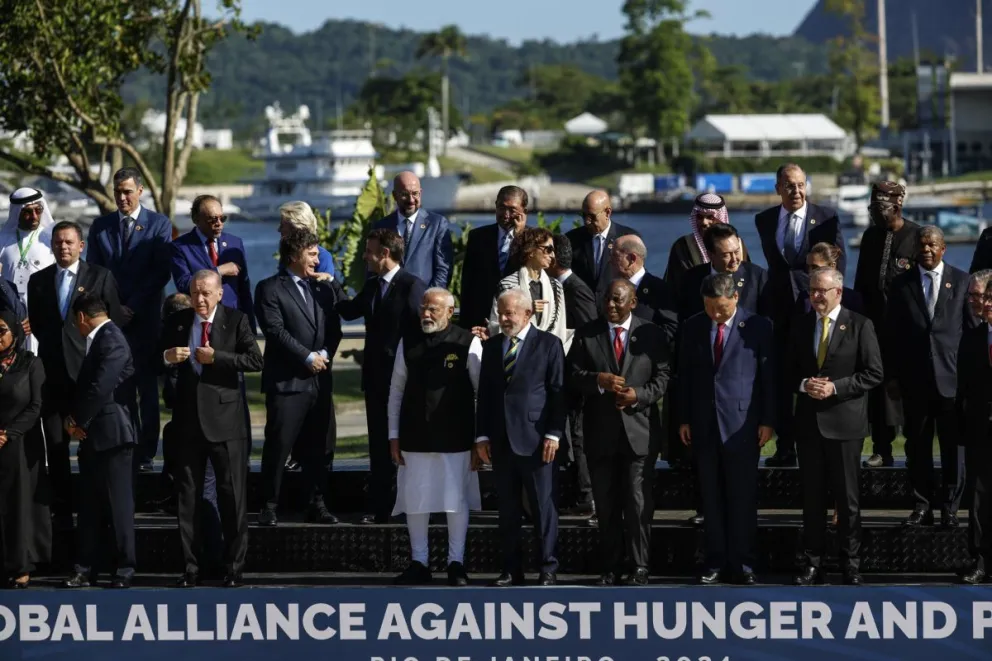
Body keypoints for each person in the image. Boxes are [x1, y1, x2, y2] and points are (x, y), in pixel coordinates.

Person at [162, 270, 263, 588]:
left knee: (231, 497)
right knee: (187, 499)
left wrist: (217, 357)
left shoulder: (236, 320)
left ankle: (234, 567)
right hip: (188, 425)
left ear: (219, 293)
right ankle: (191, 568)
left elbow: (254, 360)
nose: (200, 299)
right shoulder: (178, 323)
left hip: (226, 423)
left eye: (206, 293)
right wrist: (166, 357)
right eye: (194, 293)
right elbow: (151, 360)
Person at [569, 279, 670, 585]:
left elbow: (663, 375)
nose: (610, 306)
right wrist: (597, 380)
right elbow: (571, 375)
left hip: (639, 433)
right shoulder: (588, 334)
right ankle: (611, 566)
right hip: (600, 435)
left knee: (638, 503)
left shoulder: (650, 333)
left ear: (632, 302)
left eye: (617, 300)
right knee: (607, 504)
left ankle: (639, 566)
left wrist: (639, 395)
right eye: (607, 301)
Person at [678, 273, 775, 585]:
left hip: (742, 426)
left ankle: (744, 564)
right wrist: (683, 418)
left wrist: (768, 421)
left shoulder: (759, 327)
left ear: (735, 298)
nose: (715, 315)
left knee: (742, 498)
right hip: (704, 425)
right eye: (709, 308)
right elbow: (684, 376)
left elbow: (768, 378)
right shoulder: (693, 326)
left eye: (720, 308)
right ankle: (715, 562)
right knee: (711, 499)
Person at [788, 268, 883, 586]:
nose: (815, 296)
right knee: (812, 500)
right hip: (809, 426)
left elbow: (873, 373)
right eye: (812, 290)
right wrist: (803, 384)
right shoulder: (801, 326)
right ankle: (813, 563)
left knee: (848, 500)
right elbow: (784, 370)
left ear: (838, 293)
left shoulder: (860, 325)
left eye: (822, 291)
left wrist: (836, 387)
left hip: (845, 425)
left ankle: (850, 562)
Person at [27, 221, 122, 527]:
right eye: (58, 243)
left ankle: (97, 515)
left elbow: (112, 322)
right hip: (53, 379)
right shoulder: (39, 281)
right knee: (55, 449)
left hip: (88, 377)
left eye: (69, 242)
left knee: (93, 449)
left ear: (81, 246)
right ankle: (63, 514)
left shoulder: (100, 276)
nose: (63, 247)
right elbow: (40, 325)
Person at [388, 288, 483, 586]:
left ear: (450, 311)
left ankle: (456, 563)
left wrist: (480, 439)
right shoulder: (408, 342)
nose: (426, 314)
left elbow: (481, 393)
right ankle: (420, 562)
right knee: (416, 501)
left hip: (456, 437)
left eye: (433, 309)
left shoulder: (469, 342)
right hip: (415, 436)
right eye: (423, 309)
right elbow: (396, 392)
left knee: (455, 501)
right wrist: (393, 435)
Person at [755, 163, 846, 468]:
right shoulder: (764, 220)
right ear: (778, 188)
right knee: (782, 380)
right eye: (789, 186)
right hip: (779, 313)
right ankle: (785, 447)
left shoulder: (827, 217)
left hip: (815, 309)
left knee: (816, 375)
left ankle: (818, 445)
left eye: (800, 185)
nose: (796, 191)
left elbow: (838, 265)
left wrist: (829, 304)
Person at [255, 229, 345, 526]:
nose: (318, 260)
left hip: (320, 382)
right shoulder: (270, 288)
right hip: (288, 383)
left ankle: (316, 504)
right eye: (312, 254)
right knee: (279, 445)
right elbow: (275, 331)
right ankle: (268, 505)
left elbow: (336, 328)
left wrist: (324, 355)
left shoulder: (323, 289)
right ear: (293, 255)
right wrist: (307, 357)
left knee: (318, 447)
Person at [476, 289, 565, 587]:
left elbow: (557, 393)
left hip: (537, 441)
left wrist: (553, 433)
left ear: (527, 314)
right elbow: (486, 396)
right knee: (508, 509)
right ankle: (512, 569)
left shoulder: (549, 344)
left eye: (509, 313)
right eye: (501, 313)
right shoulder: (491, 348)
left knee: (542, 507)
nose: (503, 319)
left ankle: (547, 567)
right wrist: (482, 436)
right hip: (501, 441)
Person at [87, 167, 173, 472]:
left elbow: (160, 271)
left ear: (139, 191)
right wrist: (114, 307)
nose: (122, 197)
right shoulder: (101, 227)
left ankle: (147, 452)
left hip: (145, 318)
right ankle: (126, 447)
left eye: (127, 191)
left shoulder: (159, 224)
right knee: (119, 386)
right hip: (112, 321)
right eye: (117, 191)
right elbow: (95, 272)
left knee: (147, 389)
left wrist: (132, 306)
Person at [338, 228, 426, 524]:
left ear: (384, 253)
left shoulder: (411, 286)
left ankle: (409, 506)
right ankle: (380, 508)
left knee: (406, 445)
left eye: (369, 251)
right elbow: (350, 310)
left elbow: (420, 334)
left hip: (402, 383)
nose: (365, 256)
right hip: (375, 381)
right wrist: (328, 285)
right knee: (378, 444)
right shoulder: (373, 285)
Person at [885, 226, 968, 528]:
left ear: (943, 248)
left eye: (932, 245)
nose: (927, 250)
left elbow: (970, 333)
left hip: (952, 381)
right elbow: (891, 333)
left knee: (952, 448)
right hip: (914, 380)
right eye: (922, 245)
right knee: (916, 446)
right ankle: (922, 505)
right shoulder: (901, 285)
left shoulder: (961, 281)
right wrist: (892, 376)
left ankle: (950, 506)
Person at [62, 294, 137, 589]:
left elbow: (101, 386)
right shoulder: (101, 338)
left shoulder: (112, 338)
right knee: (89, 507)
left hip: (113, 434)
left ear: (81, 318)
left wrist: (76, 420)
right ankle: (86, 568)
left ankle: (125, 568)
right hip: (94, 436)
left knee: (119, 507)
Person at [853, 181, 920, 469]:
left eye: (881, 209)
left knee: (911, 393)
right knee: (878, 392)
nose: (876, 214)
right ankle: (882, 449)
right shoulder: (870, 237)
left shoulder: (916, 236)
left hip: (908, 332)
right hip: (875, 329)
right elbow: (860, 285)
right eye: (872, 209)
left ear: (897, 206)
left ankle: (916, 452)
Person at [548, 233, 597, 518]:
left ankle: (587, 495)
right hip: (567, 375)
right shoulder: (560, 286)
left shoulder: (575, 289)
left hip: (575, 376)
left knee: (578, 434)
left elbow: (588, 333)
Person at [0, 309, 49, 589]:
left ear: (15, 333)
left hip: (20, 446)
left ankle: (21, 565)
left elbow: (36, 406)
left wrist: (9, 433)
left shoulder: (30, 363)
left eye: (2, 331)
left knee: (18, 506)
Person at [171, 194, 255, 330]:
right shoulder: (180, 247)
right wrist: (219, 271)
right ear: (196, 219)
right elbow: (183, 284)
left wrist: (250, 324)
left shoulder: (235, 243)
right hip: (199, 321)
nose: (219, 223)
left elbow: (244, 288)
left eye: (222, 218)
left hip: (232, 320)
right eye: (212, 219)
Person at [956, 283, 992, 584]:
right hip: (980, 427)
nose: (988, 303)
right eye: (987, 297)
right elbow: (964, 388)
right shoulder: (972, 338)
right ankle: (980, 560)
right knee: (979, 497)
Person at [485, 227, 568, 349]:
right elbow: (497, 324)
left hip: (548, 353)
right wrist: (526, 312)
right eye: (548, 249)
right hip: (515, 354)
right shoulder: (508, 285)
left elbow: (560, 329)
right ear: (531, 250)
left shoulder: (556, 287)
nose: (553, 255)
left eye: (553, 250)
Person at [459, 185, 529, 330]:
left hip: (517, 317)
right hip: (481, 317)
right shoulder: (478, 237)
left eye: (512, 210)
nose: (506, 214)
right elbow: (467, 283)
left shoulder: (532, 240)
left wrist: (520, 235)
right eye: (502, 208)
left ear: (524, 212)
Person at [0, 187, 57, 354]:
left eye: (38, 210)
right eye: (27, 212)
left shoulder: (51, 239)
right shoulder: (2, 240)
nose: (34, 216)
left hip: (43, 312)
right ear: (17, 212)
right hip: (9, 314)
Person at [372, 171, 453, 288]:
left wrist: (431, 299)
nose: (411, 200)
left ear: (420, 193)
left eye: (415, 194)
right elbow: (373, 267)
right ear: (395, 195)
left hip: (423, 301)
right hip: (390, 303)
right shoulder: (381, 227)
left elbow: (443, 269)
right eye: (405, 194)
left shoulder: (436, 224)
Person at [679, 224, 770, 321]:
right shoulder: (692, 278)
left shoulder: (756, 276)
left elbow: (768, 319)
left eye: (737, 251)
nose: (734, 259)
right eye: (726, 255)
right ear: (710, 255)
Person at [664, 193, 750, 296]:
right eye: (700, 217)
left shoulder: (738, 245)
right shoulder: (683, 246)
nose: (704, 222)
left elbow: (749, 280)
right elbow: (673, 287)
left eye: (710, 217)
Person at [566, 190, 640, 296]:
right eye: (584, 215)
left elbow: (636, 277)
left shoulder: (628, 237)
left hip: (616, 307)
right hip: (583, 309)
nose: (587, 221)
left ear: (607, 212)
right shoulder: (572, 239)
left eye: (592, 216)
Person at [609, 235, 678, 344]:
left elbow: (671, 329)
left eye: (614, 256)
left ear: (632, 259)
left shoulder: (659, 289)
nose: (610, 261)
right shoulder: (611, 288)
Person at [795, 243, 865, 315]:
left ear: (832, 265)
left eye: (814, 267)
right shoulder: (804, 299)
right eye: (808, 267)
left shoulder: (852, 299)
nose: (810, 272)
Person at [278, 201, 339, 280]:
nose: (279, 229)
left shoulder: (322, 257)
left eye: (283, 225)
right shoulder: (288, 255)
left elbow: (326, 289)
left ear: (296, 228)